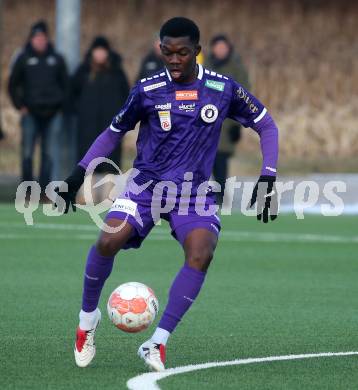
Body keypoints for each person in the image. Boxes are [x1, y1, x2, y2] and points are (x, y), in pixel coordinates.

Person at [55, 17, 278, 371]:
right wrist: (79, 173)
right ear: (160, 50)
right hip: (146, 186)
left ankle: (156, 343)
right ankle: (87, 321)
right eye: (168, 52)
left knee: (202, 253)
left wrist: (268, 176)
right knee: (108, 241)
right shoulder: (147, 89)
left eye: (183, 53)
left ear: (197, 52)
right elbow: (113, 132)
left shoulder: (222, 89)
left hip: (193, 192)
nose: (175, 60)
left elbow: (266, 123)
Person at [8, 20, 68, 192]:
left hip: (53, 114)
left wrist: (61, 107)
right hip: (30, 113)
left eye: (43, 38)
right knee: (27, 153)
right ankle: (27, 191)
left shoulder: (56, 58)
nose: (40, 41)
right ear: (31, 39)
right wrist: (20, 105)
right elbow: (12, 85)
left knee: (48, 154)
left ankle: (44, 192)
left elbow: (66, 86)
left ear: (47, 39)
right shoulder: (23, 58)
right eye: (36, 38)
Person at [72, 36, 130, 172]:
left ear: (108, 53)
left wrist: (122, 117)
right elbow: (72, 93)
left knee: (111, 166)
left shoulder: (117, 72)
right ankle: (84, 193)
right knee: (87, 165)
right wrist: (80, 112)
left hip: (111, 127)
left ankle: (109, 193)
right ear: (92, 53)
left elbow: (127, 96)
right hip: (87, 128)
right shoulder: (83, 71)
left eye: (103, 51)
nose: (100, 55)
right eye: (97, 51)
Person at [205, 34, 250, 203]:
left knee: (220, 160)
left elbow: (244, 95)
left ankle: (220, 195)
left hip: (226, 121)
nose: (220, 50)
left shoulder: (236, 68)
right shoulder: (204, 66)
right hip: (203, 122)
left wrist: (237, 124)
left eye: (223, 47)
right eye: (218, 47)